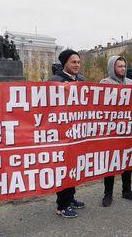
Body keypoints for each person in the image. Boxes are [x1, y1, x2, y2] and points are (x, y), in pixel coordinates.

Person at [48, 49, 86, 218]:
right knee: (63, 169)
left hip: (77, 132)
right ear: (65, 63)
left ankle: (70, 198)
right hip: (61, 133)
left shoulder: (82, 80)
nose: (77, 65)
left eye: (78, 62)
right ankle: (61, 205)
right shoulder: (54, 81)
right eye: (73, 62)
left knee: (74, 167)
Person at [100, 56, 132, 207]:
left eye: (124, 66)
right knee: (111, 163)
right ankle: (108, 194)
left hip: (128, 130)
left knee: (127, 160)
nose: (123, 69)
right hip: (111, 131)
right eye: (119, 66)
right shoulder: (104, 84)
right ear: (112, 68)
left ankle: (127, 190)